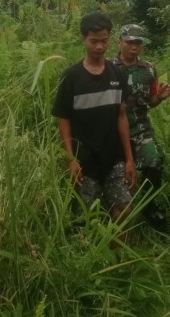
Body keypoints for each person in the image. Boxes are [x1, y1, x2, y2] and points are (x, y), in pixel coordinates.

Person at [52, 12, 137, 222]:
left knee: (124, 213)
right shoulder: (71, 77)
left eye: (104, 41)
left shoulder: (117, 74)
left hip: (113, 158)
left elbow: (121, 117)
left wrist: (129, 159)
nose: (99, 46)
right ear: (83, 39)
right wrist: (70, 159)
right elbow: (63, 119)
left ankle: (121, 255)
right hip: (85, 161)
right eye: (94, 41)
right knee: (85, 220)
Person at [111, 24, 170, 230]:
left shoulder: (149, 69)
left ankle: (148, 203)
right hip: (111, 129)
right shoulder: (108, 67)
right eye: (129, 42)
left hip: (140, 128)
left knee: (154, 161)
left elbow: (150, 101)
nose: (134, 47)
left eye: (138, 43)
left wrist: (160, 98)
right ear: (119, 42)